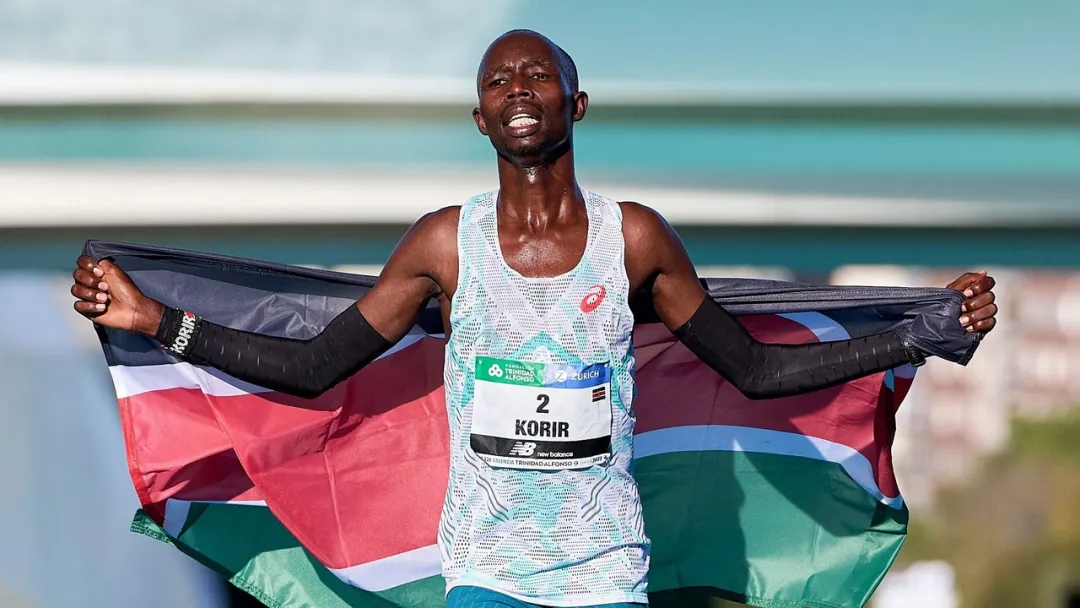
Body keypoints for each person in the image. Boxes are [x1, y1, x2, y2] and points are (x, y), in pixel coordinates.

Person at [69, 29, 998, 608]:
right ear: (480, 119)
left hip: (606, 575)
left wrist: (916, 336)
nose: (518, 87)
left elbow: (755, 370)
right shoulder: (445, 245)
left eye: (537, 74)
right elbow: (319, 366)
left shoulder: (633, 241)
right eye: (498, 80)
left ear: (575, 103)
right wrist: (162, 323)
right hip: (485, 577)